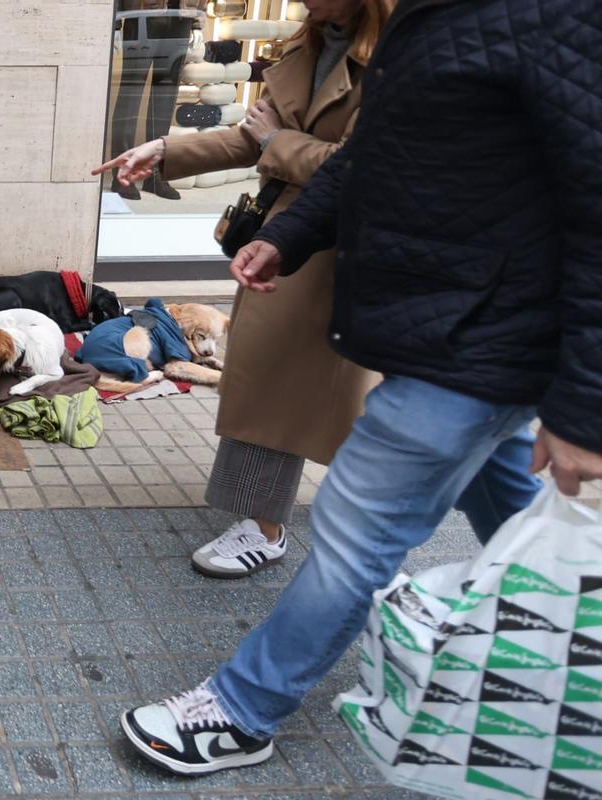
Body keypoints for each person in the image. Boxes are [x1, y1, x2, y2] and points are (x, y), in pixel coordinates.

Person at [118, 0, 602, 778]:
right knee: (516, 500)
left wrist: (585, 407)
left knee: (355, 530)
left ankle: (243, 711)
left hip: (475, 336)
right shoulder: (436, 18)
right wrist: (288, 234)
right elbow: (377, 153)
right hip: (446, 327)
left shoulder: (551, 17)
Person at [95, 0, 392, 579]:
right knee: (268, 385)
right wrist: (165, 151)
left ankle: (374, 521)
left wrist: (279, 142)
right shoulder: (310, 43)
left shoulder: (401, 55)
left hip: (350, 251)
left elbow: (369, 170)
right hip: (285, 244)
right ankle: (264, 524)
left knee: (359, 402)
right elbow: (250, 136)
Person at [108, 0, 199, 200]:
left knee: (166, 94)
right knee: (131, 91)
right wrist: (114, 21)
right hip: (142, 13)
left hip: (180, 14)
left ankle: (155, 174)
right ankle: (123, 174)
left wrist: (195, 21)